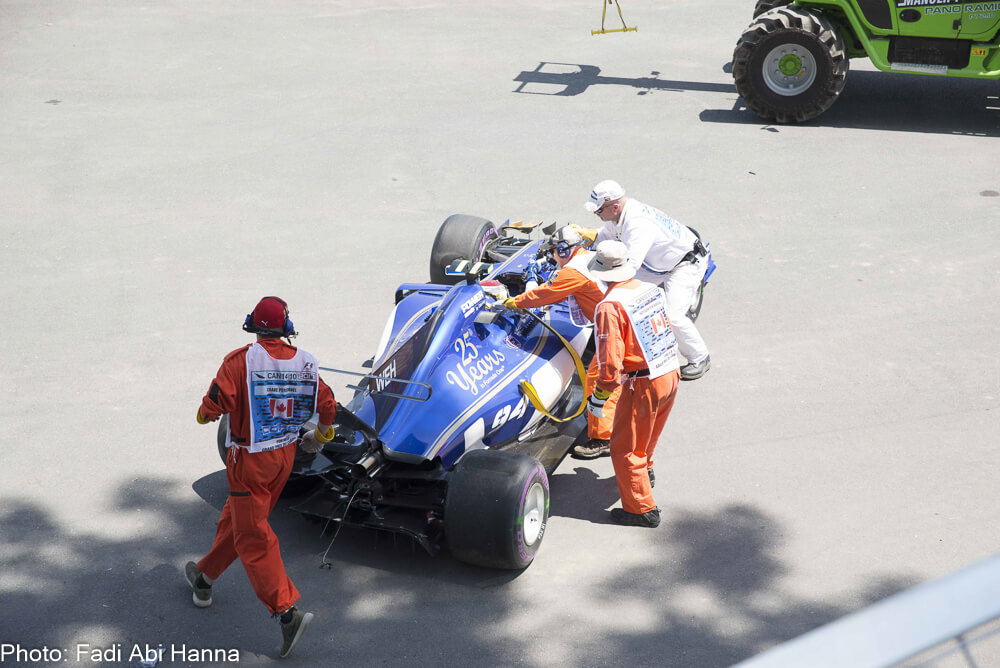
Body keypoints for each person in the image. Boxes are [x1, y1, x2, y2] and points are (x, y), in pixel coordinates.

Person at [186, 296, 337, 659]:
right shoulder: (305, 363)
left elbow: (210, 410)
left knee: (253, 535)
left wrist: (205, 414)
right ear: (287, 328)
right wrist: (320, 436)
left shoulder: (239, 361)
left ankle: (286, 613)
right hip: (284, 457)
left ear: (253, 326)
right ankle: (204, 579)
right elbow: (328, 404)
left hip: (249, 463)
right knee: (238, 520)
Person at [501, 226, 619, 459]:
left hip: (614, 329)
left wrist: (515, 302)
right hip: (617, 320)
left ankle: (603, 439)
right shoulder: (587, 256)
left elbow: (542, 295)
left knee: (600, 381)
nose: (552, 256)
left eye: (553, 251)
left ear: (563, 250)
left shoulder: (572, 273)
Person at [574, 179, 711, 380]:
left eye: (598, 210)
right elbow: (606, 236)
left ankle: (700, 358)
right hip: (658, 263)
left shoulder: (638, 225)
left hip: (683, 265)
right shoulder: (618, 215)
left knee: (673, 316)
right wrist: (586, 237)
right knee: (606, 287)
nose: (596, 214)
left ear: (614, 206)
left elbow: (629, 267)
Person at [586, 241, 680, 527]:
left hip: (643, 382)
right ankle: (645, 472)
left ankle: (642, 509)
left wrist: (599, 396)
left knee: (625, 447)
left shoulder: (609, 307)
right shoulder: (649, 289)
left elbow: (610, 365)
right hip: (669, 370)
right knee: (648, 436)